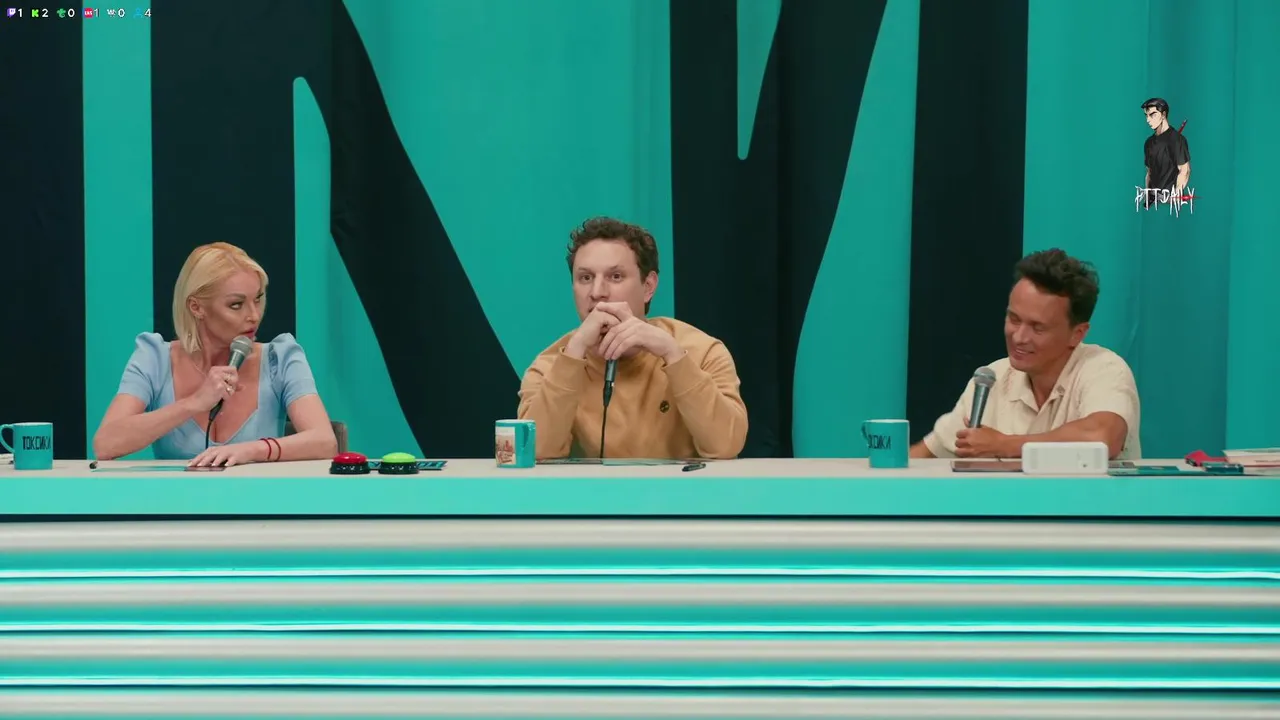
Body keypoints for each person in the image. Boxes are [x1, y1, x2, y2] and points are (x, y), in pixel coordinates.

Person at [518, 217, 748, 460]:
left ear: (648, 286)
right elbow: (535, 453)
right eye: (585, 278)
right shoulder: (549, 367)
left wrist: (673, 355)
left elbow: (726, 445)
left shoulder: (703, 352)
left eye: (615, 276)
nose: (597, 292)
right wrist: (575, 352)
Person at [92, 242, 338, 466]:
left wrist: (252, 451)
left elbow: (325, 442)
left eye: (258, 299)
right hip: (176, 499)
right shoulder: (154, 358)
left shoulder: (281, 358)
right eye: (236, 305)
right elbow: (106, 444)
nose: (254, 315)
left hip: (258, 498)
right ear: (196, 307)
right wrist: (194, 402)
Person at [910, 249, 1141, 461]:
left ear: (1077, 334)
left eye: (1038, 328)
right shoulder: (993, 377)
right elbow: (926, 454)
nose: (1019, 337)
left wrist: (1005, 445)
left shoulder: (1104, 368)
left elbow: (1103, 437)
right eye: (1014, 319)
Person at [1141, 97, 1191, 208]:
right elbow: (1149, 173)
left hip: (1170, 201)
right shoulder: (1148, 143)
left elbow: (1184, 170)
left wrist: (1176, 194)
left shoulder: (1177, 140)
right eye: (1146, 115)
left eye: (1152, 115)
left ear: (1163, 115)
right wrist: (1148, 196)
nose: (1148, 120)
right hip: (1153, 200)